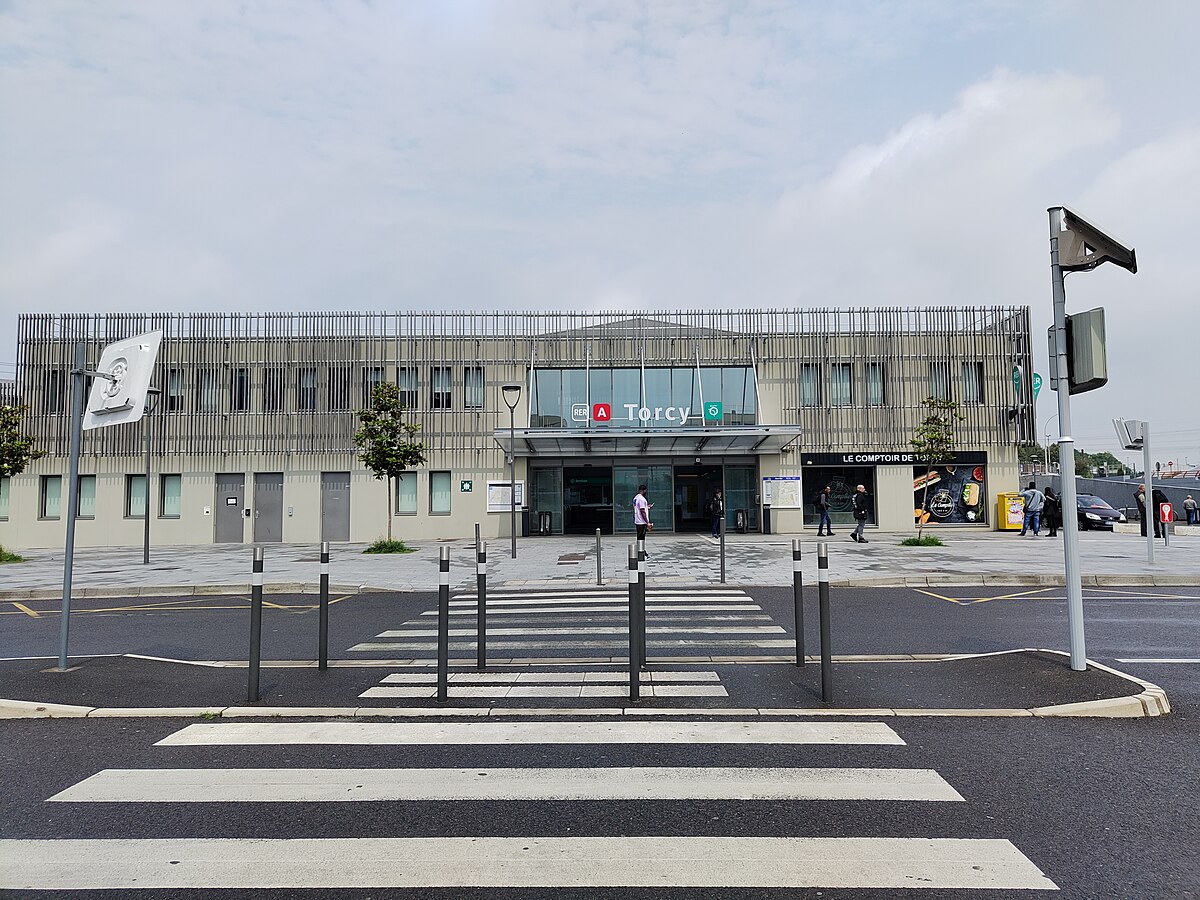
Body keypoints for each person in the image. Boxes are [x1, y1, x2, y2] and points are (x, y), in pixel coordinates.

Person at [633, 484, 652, 555]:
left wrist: (647, 507)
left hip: (637, 521)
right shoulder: (642, 499)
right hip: (642, 522)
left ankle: (641, 552)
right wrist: (647, 522)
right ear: (643, 490)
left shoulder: (636, 498)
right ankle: (642, 553)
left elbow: (639, 508)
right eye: (645, 491)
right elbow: (642, 511)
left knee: (639, 537)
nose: (646, 492)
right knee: (641, 538)